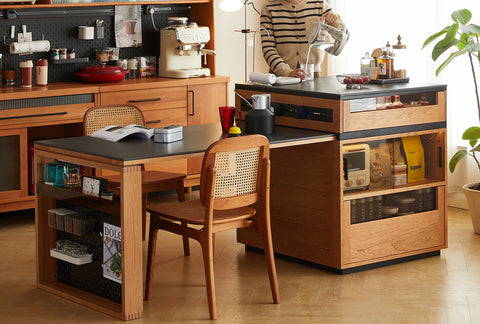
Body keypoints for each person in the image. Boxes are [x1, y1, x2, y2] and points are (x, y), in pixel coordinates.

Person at [260, 0, 344, 80]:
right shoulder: (268, 7)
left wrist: (336, 21)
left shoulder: (320, 4)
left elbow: (343, 37)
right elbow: (268, 48)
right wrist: (286, 72)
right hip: (280, 77)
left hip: (312, 76)